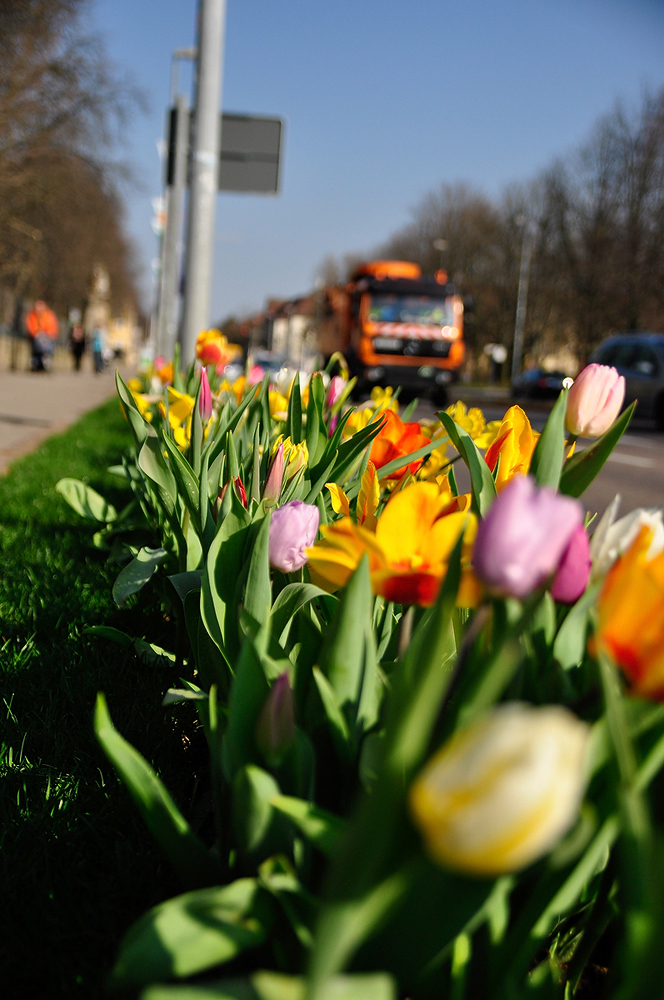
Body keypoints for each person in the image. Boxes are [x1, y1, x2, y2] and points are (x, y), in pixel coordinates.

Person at [25, 299, 59, 371]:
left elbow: (53, 327)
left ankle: (45, 361)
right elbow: (30, 326)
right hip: (35, 337)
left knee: (46, 345)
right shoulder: (32, 315)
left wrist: (48, 334)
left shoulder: (49, 315)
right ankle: (37, 362)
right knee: (37, 344)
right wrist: (35, 334)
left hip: (47, 337)